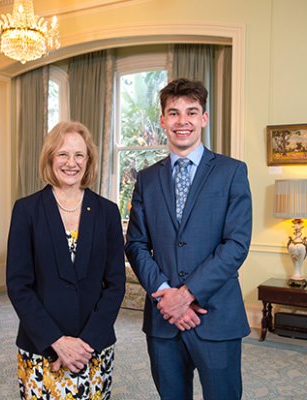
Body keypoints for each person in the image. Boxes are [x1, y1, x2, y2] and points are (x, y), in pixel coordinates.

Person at [125, 78, 252, 400]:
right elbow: (136, 244)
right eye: (174, 113)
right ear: (163, 120)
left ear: (204, 118)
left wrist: (189, 294)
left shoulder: (231, 171)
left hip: (216, 314)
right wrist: (168, 295)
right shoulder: (147, 178)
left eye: (191, 112)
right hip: (164, 317)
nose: (183, 121)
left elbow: (235, 243)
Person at [6, 121, 126, 400]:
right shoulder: (26, 210)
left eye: (79, 155)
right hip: (42, 348)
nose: (71, 163)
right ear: (50, 158)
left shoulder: (107, 212)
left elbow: (115, 284)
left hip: (92, 349)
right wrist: (57, 342)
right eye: (62, 154)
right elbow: (18, 285)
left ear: (88, 160)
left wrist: (86, 343)